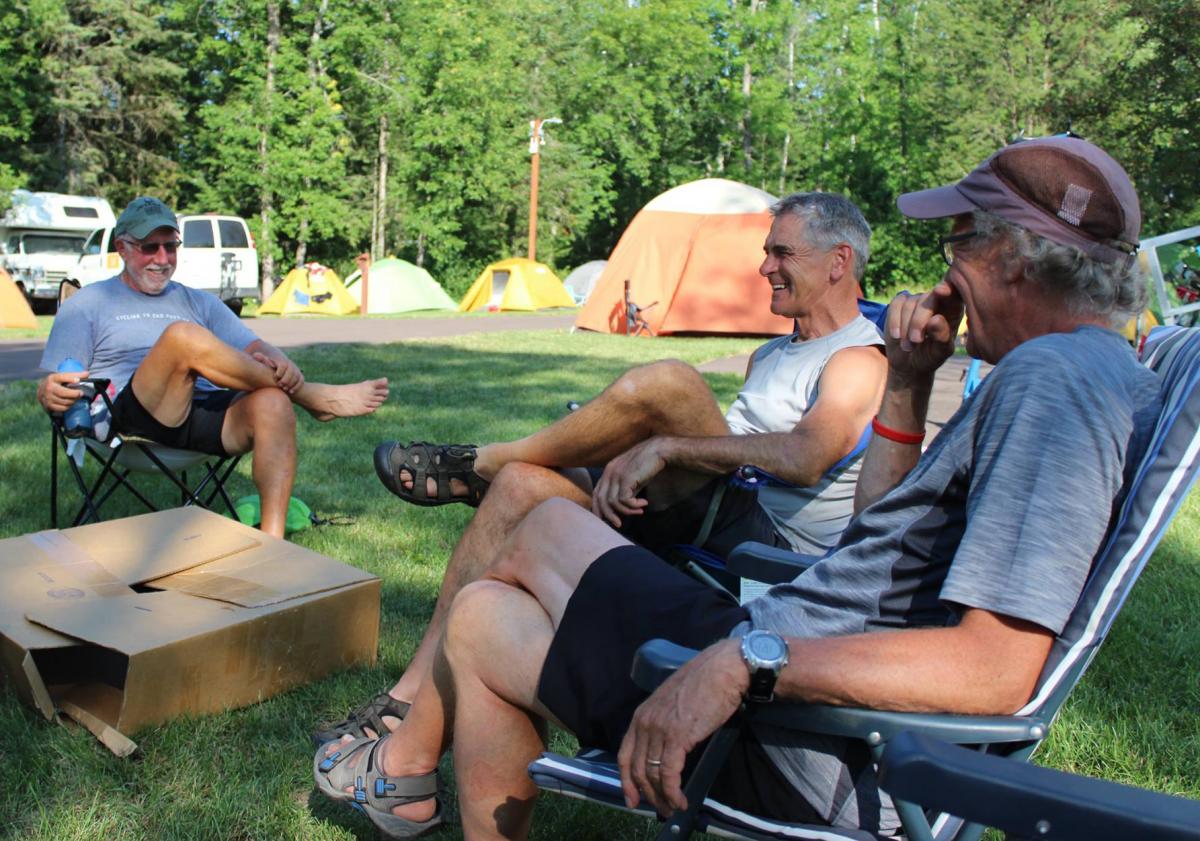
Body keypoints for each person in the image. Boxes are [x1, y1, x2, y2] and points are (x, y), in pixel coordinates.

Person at [312, 135, 1161, 841]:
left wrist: (747, 662)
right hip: (797, 670)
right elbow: (876, 535)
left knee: (533, 524)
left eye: (962, 243)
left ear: (1016, 258)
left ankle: (401, 758)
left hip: (811, 735)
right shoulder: (1075, 369)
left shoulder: (1055, 383)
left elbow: (994, 669)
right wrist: (908, 381)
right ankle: (405, 773)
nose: (949, 271)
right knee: (482, 614)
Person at [320, 192, 888, 742]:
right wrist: (635, 456)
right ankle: (407, 697)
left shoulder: (858, 358)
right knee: (521, 485)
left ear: (839, 261)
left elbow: (807, 458)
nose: (765, 268)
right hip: (703, 517)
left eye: (782, 253)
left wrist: (667, 449)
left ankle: (483, 460)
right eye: (767, 253)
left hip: (766, 554)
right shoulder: (770, 354)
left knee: (671, 384)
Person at [37, 196, 389, 538]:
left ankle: (272, 543)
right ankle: (311, 396)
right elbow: (61, 379)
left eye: (171, 246)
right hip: (132, 416)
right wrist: (48, 393)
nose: (162, 258)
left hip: (201, 412)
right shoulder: (88, 303)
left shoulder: (198, 300)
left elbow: (256, 347)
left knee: (273, 402)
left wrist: (280, 362)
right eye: (149, 247)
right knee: (182, 337)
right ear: (122, 248)